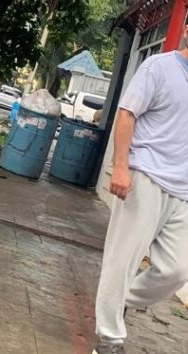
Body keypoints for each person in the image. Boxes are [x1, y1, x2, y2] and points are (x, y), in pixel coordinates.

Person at [92, 33, 188, 354]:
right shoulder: (158, 68)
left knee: (177, 269)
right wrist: (120, 166)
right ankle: (108, 340)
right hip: (145, 176)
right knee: (121, 262)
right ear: (187, 31)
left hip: (182, 191)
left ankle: (115, 298)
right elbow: (126, 114)